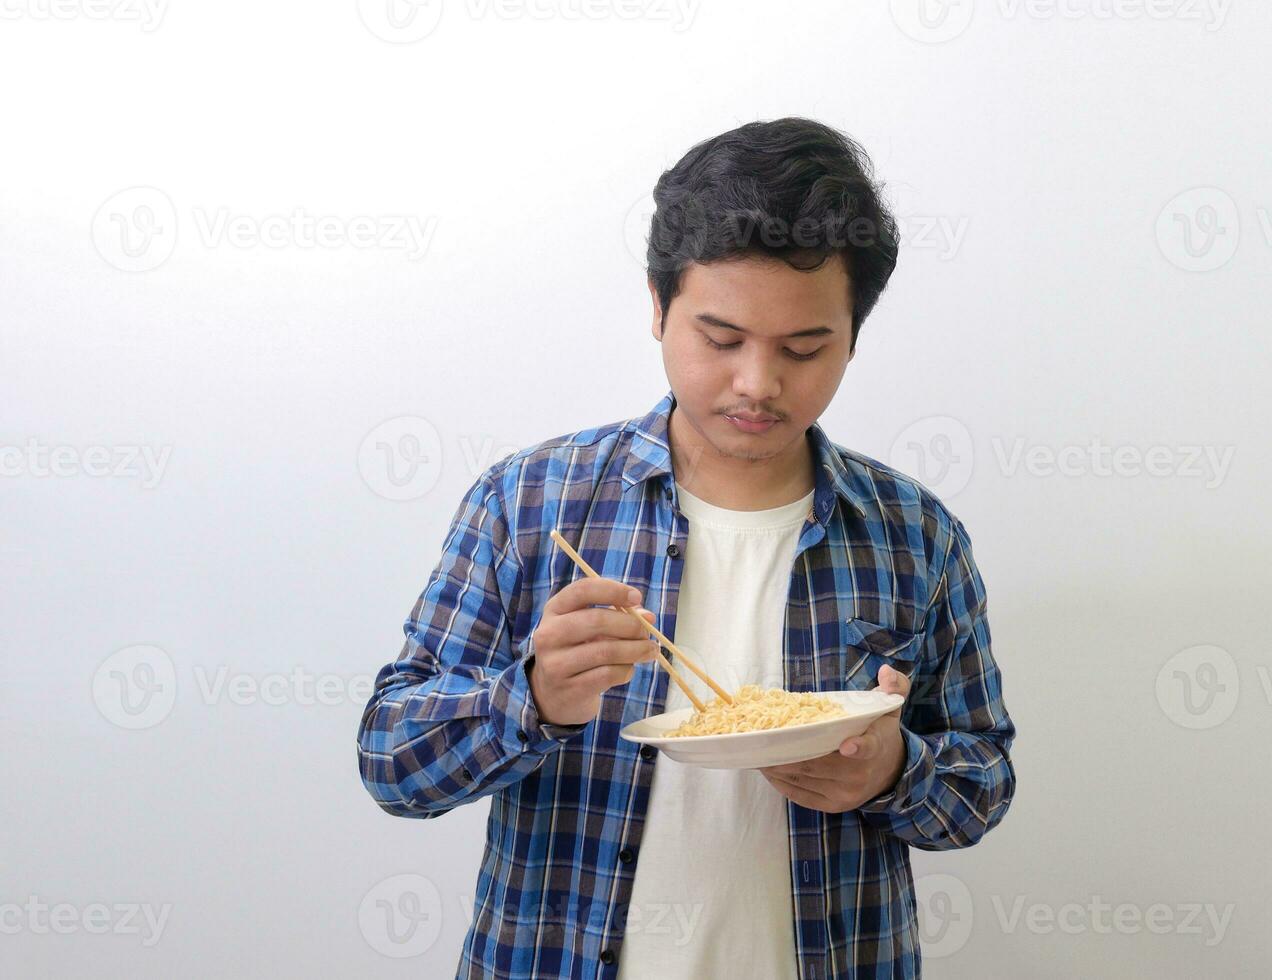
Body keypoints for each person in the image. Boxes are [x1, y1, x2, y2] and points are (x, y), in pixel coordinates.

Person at [356, 116, 1017, 979]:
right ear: (659, 306)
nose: (758, 383)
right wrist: (534, 697)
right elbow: (391, 763)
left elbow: (983, 783)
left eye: (804, 347)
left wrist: (896, 768)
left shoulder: (913, 535)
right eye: (721, 339)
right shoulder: (531, 503)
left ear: (853, 335)